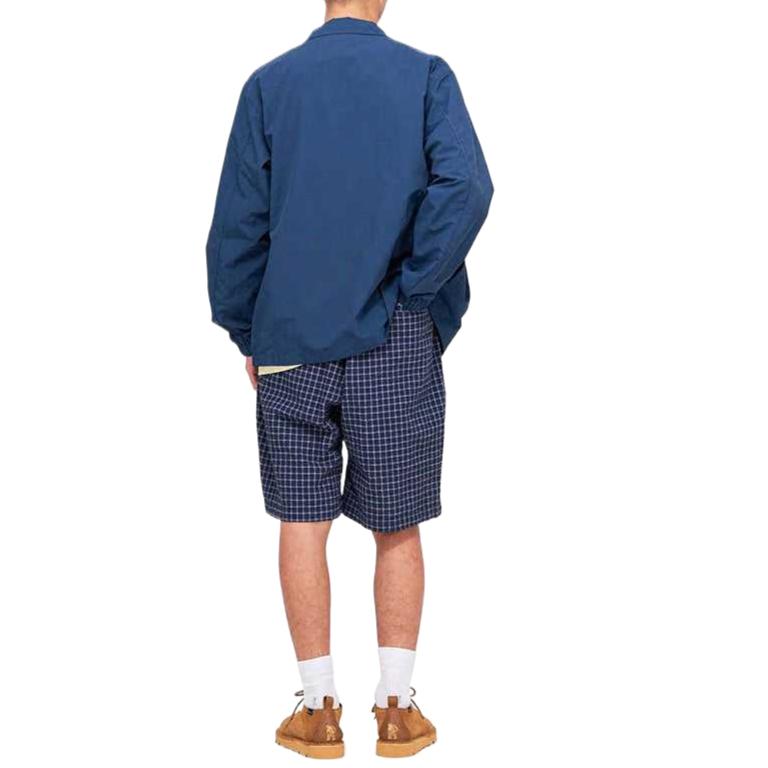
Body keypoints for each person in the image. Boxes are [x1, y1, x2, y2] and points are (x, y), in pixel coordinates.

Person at [206, 0, 492, 758]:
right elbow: (467, 186)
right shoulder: (425, 77)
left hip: (290, 337)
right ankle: (396, 710)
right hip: (393, 338)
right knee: (397, 523)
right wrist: (416, 291)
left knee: (302, 521)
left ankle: (318, 709)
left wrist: (246, 329)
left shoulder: (269, 85)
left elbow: (236, 227)